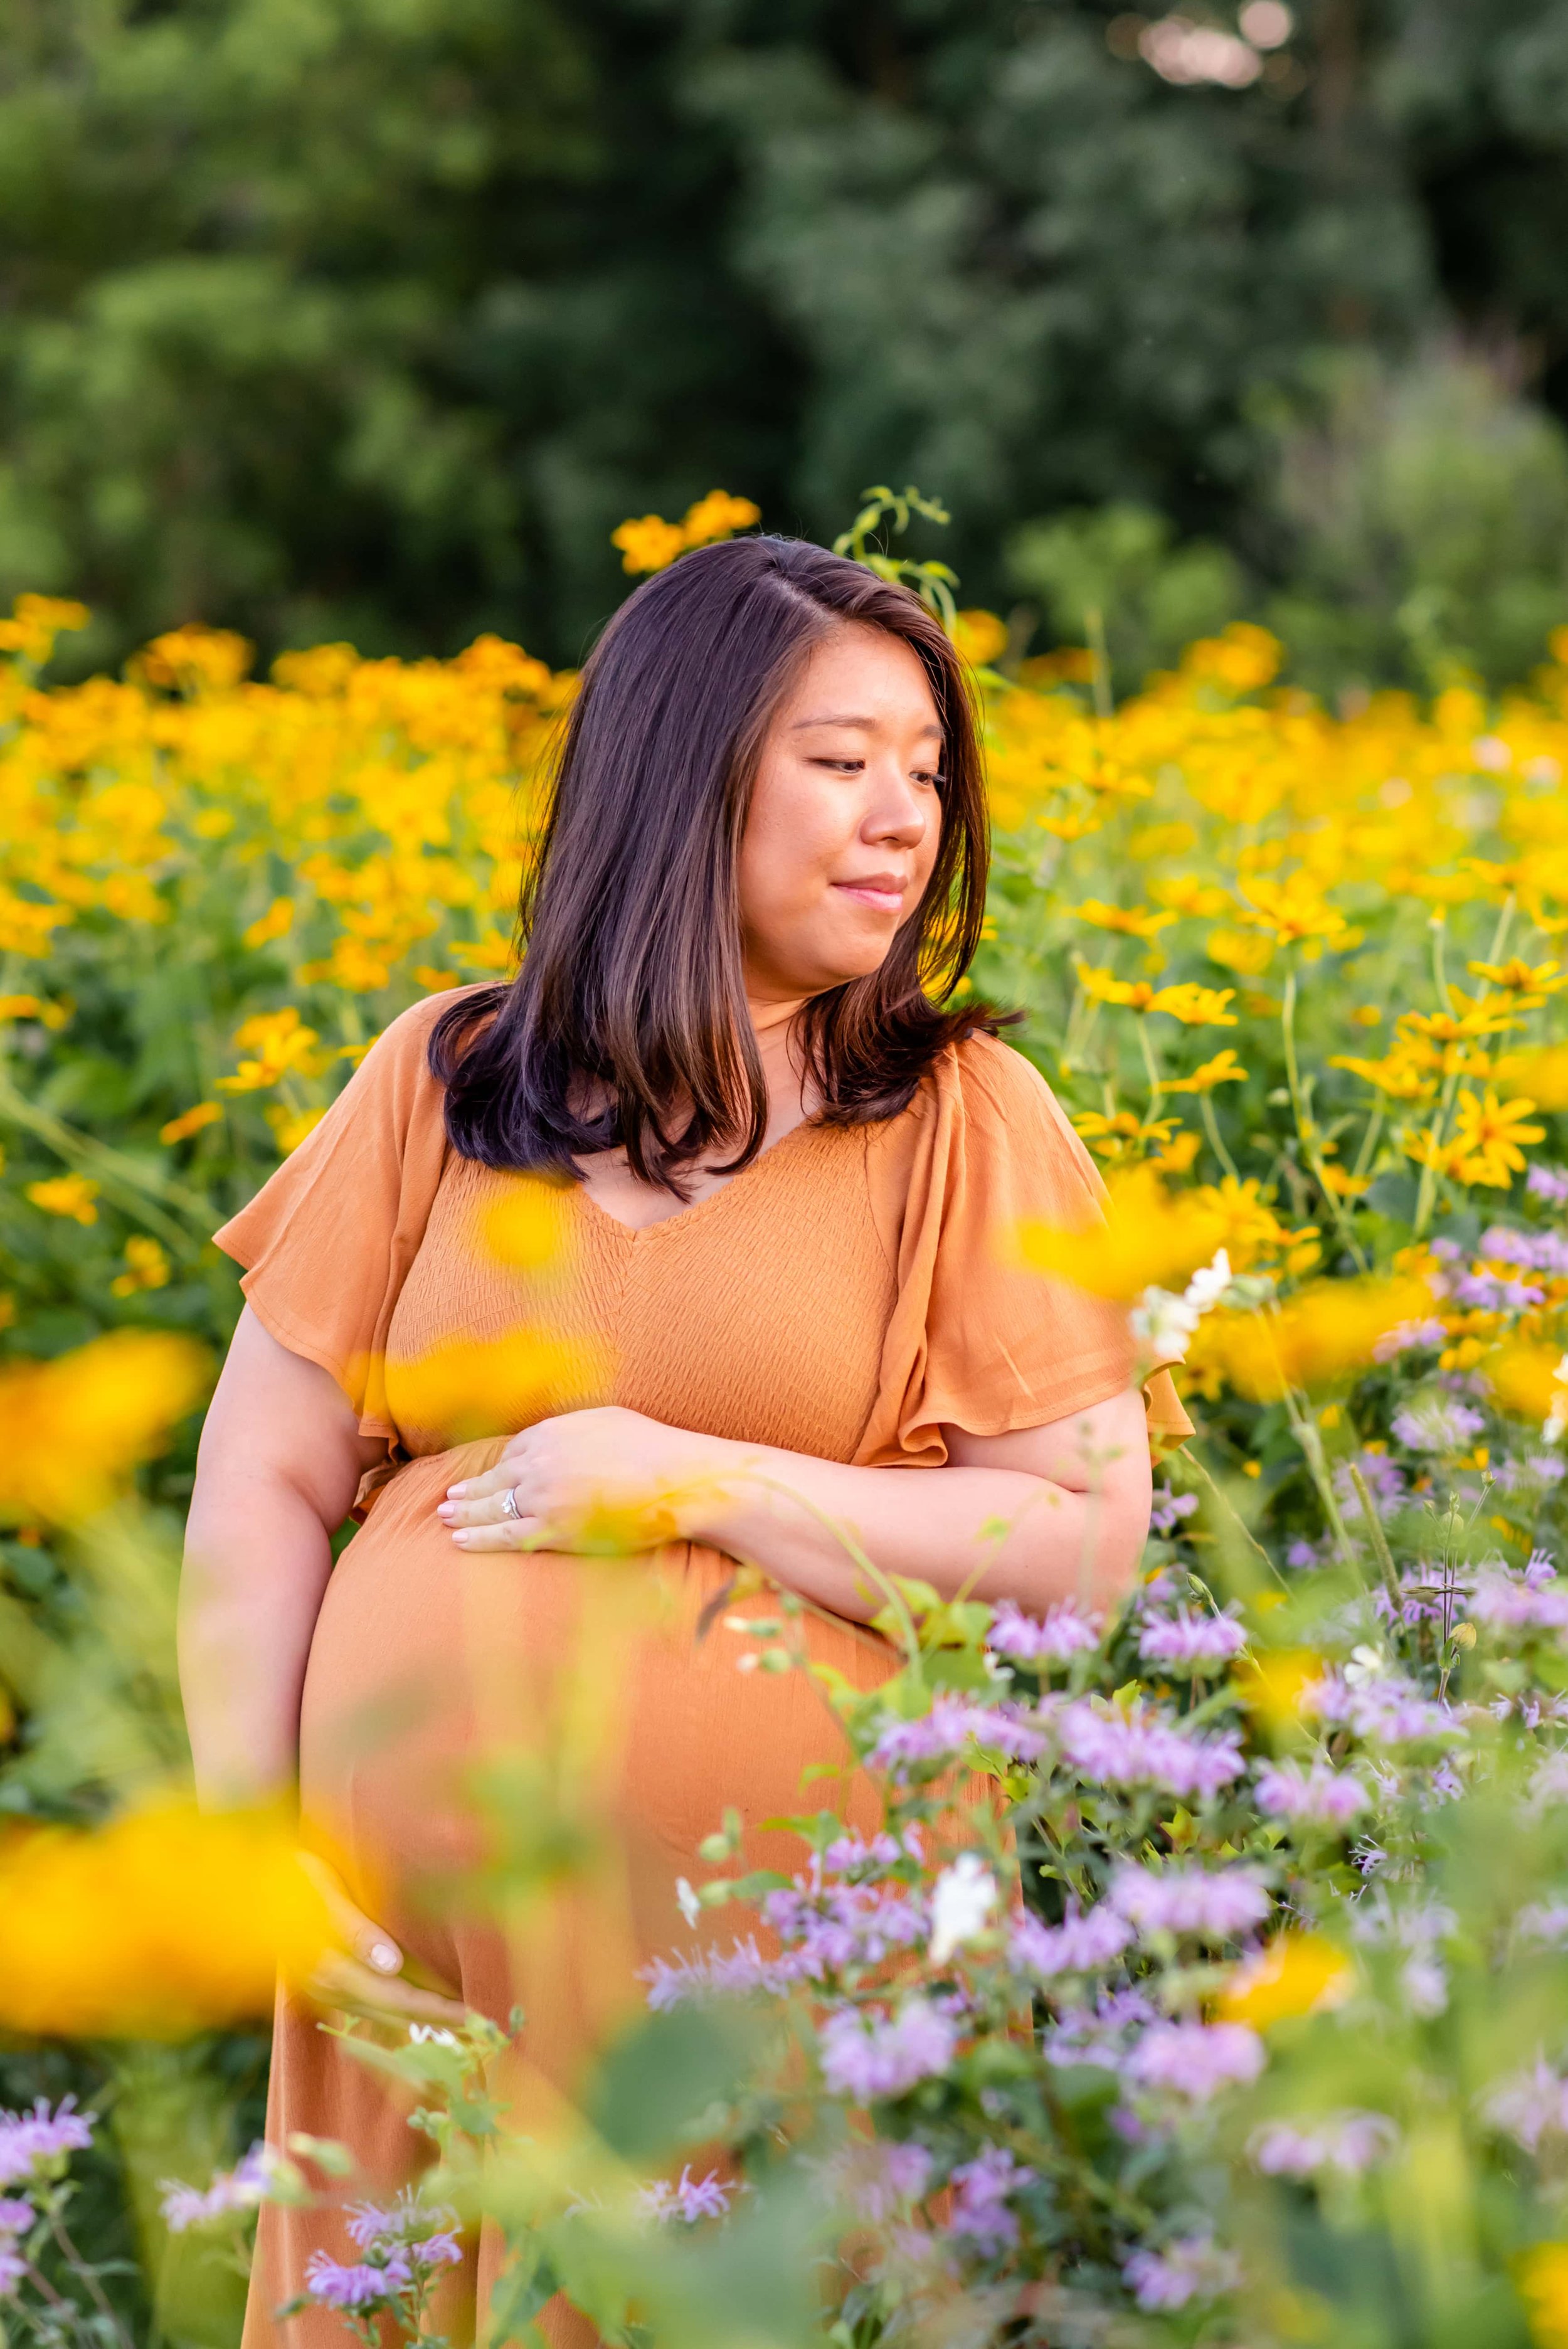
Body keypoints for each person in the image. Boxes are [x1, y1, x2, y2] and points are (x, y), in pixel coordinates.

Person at [180, 535, 1189, 2346]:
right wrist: (255, 1829)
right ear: (682, 769)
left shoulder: (965, 1120)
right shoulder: (443, 1078)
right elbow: (260, 1471)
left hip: (793, 1989)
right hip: (421, 1986)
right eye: (842, 758)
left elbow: (1080, 1540)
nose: (906, 817)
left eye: (929, 771)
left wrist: (699, 1481)